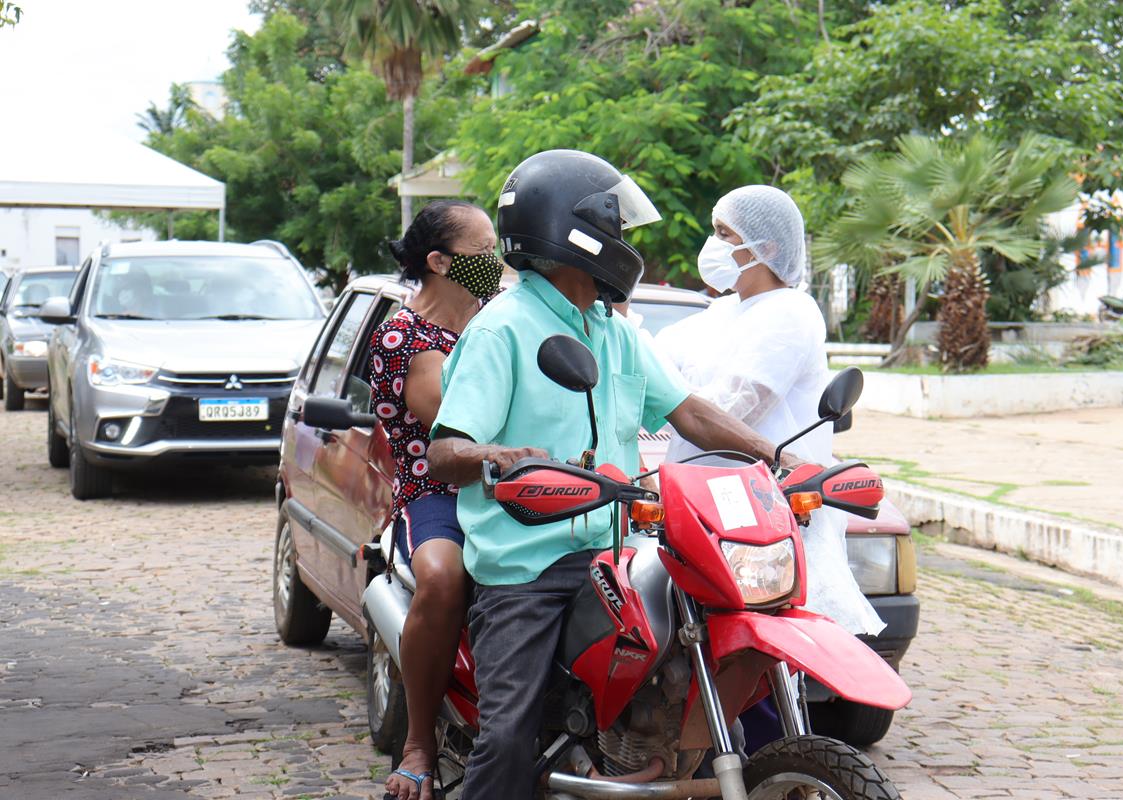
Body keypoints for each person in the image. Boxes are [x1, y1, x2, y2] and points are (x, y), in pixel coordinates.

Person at [426, 149, 798, 798]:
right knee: (510, 733)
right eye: (616, 226)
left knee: (697, 647)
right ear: (576, 234)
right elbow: (444, 452)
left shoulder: (616, 332)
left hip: (619, 552)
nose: (625, 241)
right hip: (527, 566)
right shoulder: (502, 330)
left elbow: (691, 414)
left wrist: (772, 456)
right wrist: (497, 456)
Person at [654, 184, 884, 637]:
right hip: (697, 508)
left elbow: (733, 408)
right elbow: (650, 363)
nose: (712, 246)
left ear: (767, 247)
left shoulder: (790, 313)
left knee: (763, 650)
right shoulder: (721, 314)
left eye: (725, 234)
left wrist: (675, 399)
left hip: (762, 516)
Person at [371, 200, 506, 800]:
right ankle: (419, 743)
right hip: (438, 489)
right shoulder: (405, 335)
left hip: (514, 479)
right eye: (483, 252)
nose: (496, 261)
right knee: (444, 577)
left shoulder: (496, 316)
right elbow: (453, 428)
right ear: (438, 261)